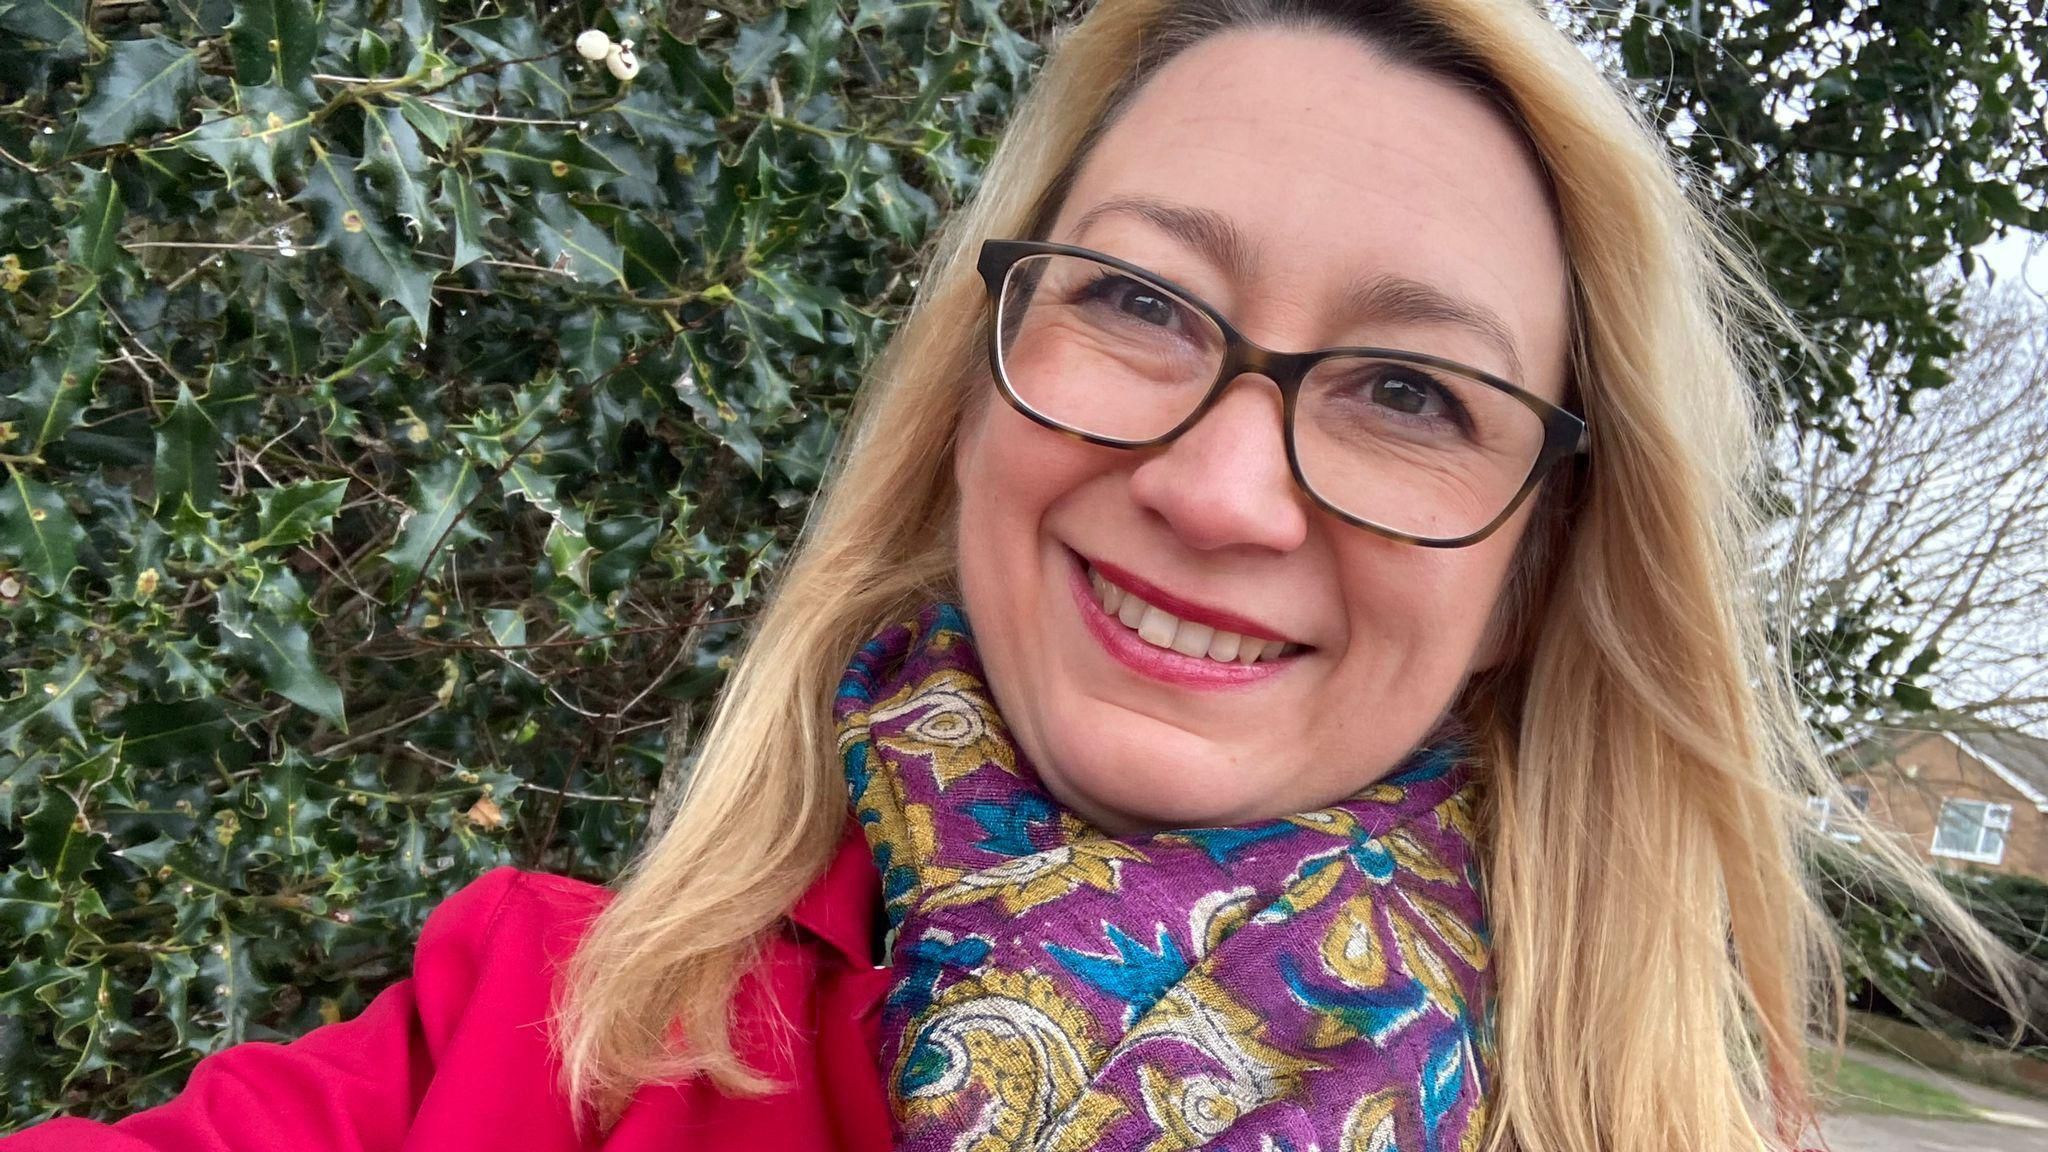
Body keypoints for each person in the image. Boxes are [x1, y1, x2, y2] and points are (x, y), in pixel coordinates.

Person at [5, 1, 2014, 1150]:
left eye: (1409, 392)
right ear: (972, 387)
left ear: (1541, 553)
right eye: (1140, 301)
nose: (1225, 488)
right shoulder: (537, 1040)